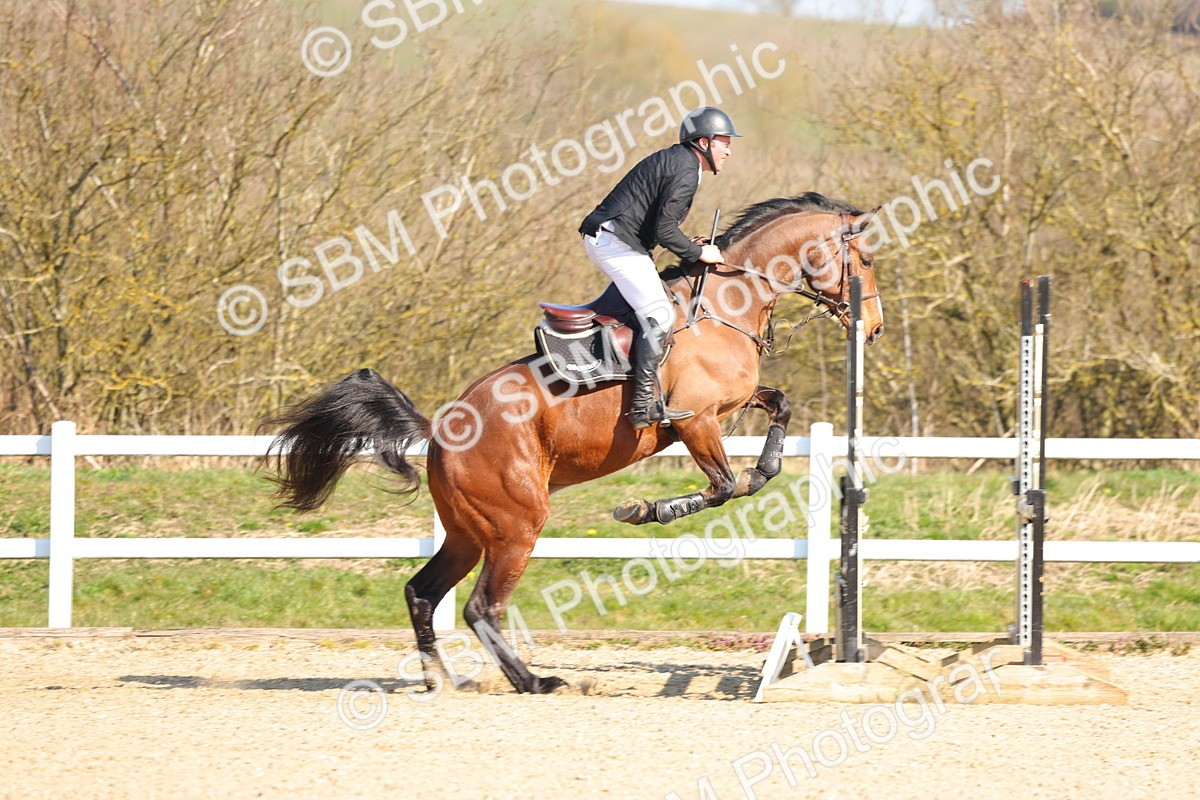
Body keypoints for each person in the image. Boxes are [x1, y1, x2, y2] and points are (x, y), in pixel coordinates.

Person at [578, 106, 740, 429]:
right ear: (704, 143)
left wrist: (691, 246)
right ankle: (641, 407)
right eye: (724, 142)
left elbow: (658, 228)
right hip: (613, 241)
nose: (729, 150)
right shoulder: (685, 170)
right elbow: (665, 232)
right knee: (662, 314)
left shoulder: (680, 162)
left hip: (614, 238)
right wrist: (699, 252)